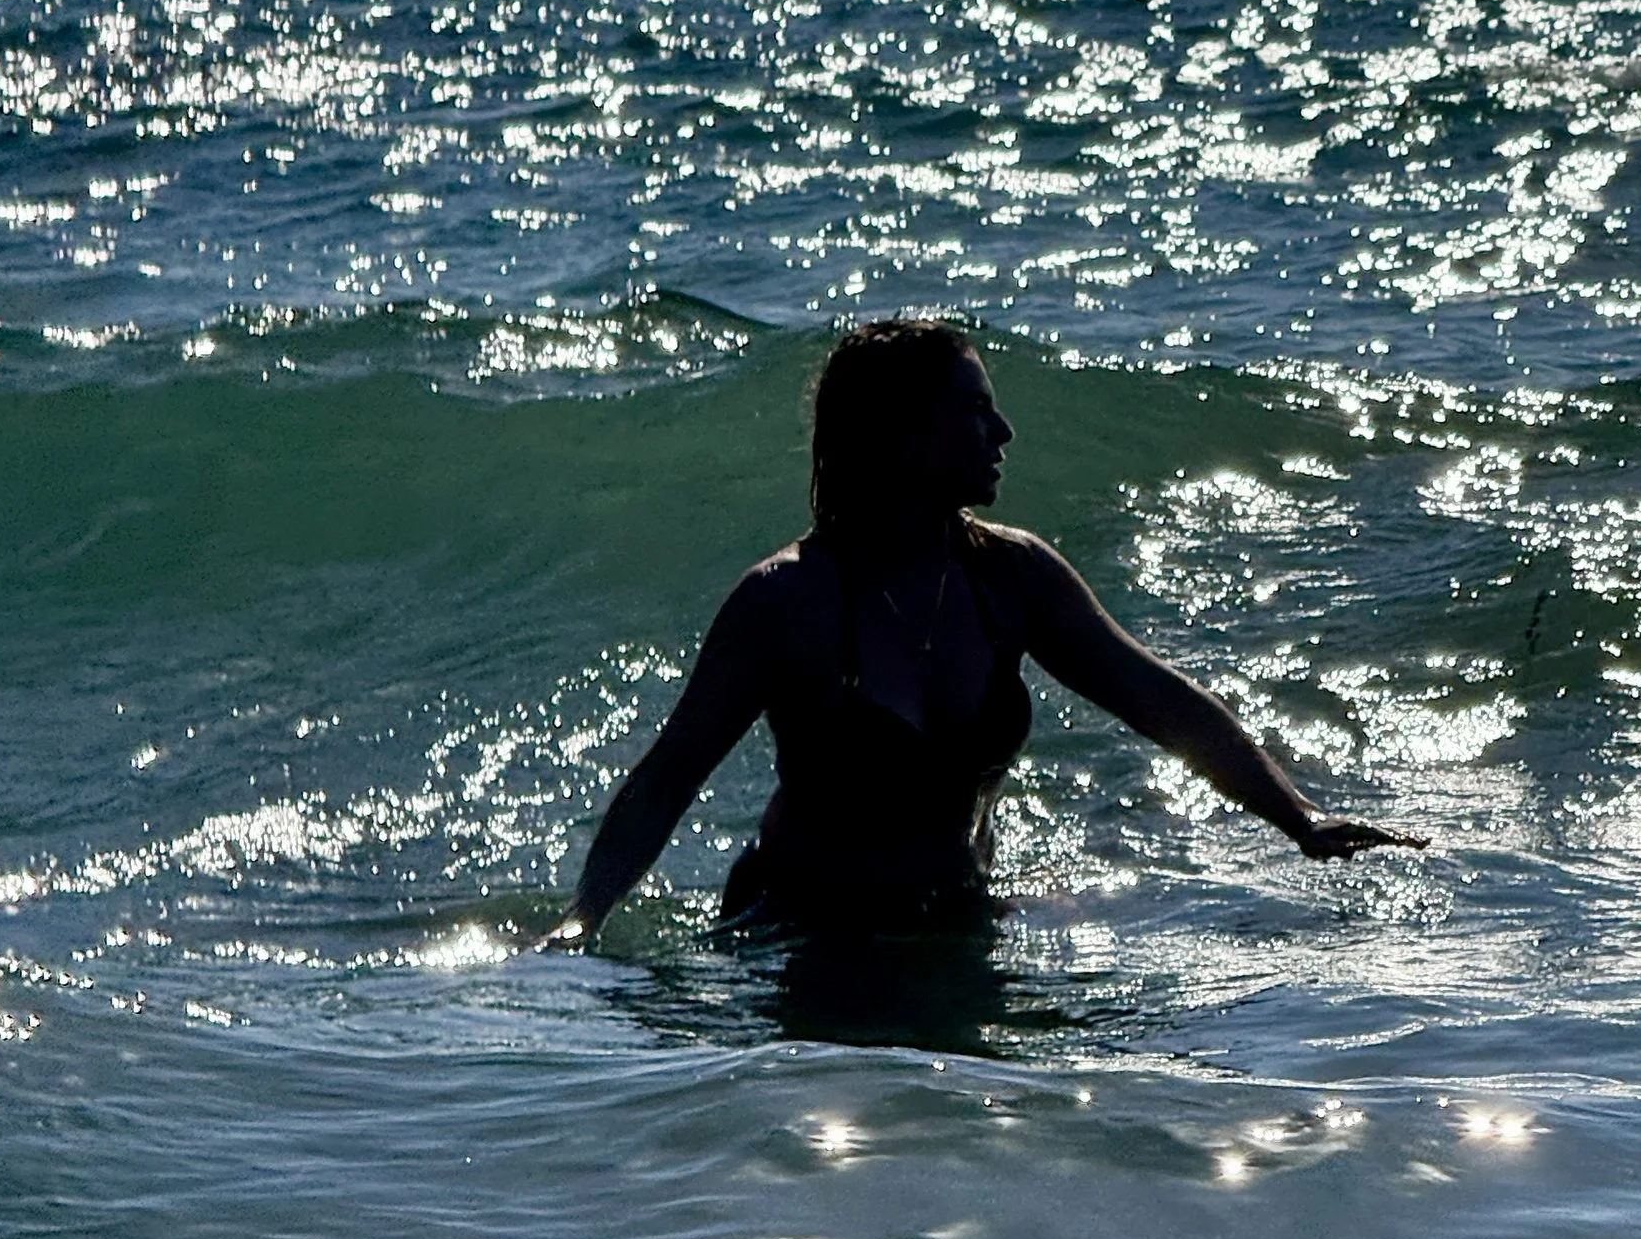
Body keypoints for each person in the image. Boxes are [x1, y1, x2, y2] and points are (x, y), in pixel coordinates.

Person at [557, 318, 1419, 944]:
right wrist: (583, 918)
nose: (1002, 432)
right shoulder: (788, 600)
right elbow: (669, 777)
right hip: (800, 929)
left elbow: (1157, 699)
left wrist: (1299, 818)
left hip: (954, 917)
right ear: (902, 437)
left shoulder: (1012, 577)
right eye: (975, 411)